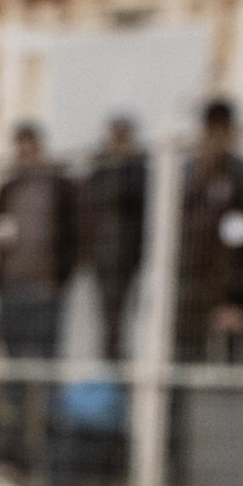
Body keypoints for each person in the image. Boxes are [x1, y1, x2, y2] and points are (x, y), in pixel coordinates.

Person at [0, 121, 80, 458]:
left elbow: (77, 235)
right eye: (19, 146)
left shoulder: (59, 186)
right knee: (13, 373)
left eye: (30, 146)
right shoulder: (8, 189)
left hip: (45, 292)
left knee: (46, 372)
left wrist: (60, 281)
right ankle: (15, 450)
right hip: (12, 290)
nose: (24, 153)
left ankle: (49, 452)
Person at [174, 98, 243, 361]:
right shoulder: (190, 175)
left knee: (234, 357)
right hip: (196, 283)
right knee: (187, 354)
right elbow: (183, 231)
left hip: (237, 284)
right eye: (213, 129)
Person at [83, 114, 149, 364]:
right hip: (103, 257)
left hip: (131, 256)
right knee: (108, 320)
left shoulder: (138, 170)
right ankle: (110, 369)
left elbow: (134, 197)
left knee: (131, 317)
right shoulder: (100, 171)